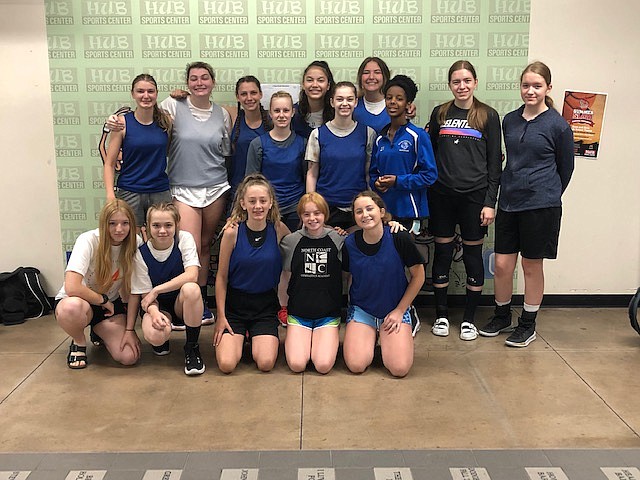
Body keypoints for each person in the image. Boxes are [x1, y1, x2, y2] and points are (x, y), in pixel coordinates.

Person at [108, 62, 230, 326]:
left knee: (207, 245)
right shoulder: (172, 106)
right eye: (193, 78)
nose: (199, 82)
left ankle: (200, 303)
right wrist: (114, 121)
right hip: (182, 187)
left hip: (216, 186)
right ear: (186, 84)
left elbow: (226, 148)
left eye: (205, 78)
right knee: (190, 246)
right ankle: (163, 304)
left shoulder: (223, 113)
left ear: (213, 82)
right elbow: (144, 112)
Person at [479, 61, 574, 347]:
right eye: (526, 85)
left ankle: (528, 323)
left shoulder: (558, 125)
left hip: (541, 206)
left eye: (537, 86)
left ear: (548, 88)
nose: (530, 91)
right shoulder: (510, 119)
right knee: (503, 264)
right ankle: (502, 315)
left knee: (532, 266)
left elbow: (565, 169)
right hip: (509, 203)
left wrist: (546, 194)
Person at [426, 60, 503, 341]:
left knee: (472, 256)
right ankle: (441, 315)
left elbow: (495, 163)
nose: (462, 86)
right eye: (456, 82)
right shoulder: (440, 113)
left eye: (467, 81)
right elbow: (429, 155)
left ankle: (469, 319)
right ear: (450, 85)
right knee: (443, 255)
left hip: (475, 198)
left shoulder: (488, 115)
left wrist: (489, 202)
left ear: (476, 83)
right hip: (442, 196)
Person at [342, 191, 425, 377]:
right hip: (363, 310)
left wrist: (400, 310)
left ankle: (405, 323)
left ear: (381, 211)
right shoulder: (349, 243)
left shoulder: (399, 237)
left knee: (399, 369)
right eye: (359, 211)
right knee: (356, 365)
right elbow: (350, 276)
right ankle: (367, 334)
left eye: (369, 209)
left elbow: (418, 276)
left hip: (394, 310)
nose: (365, 215)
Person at [213, 174, 290, 373]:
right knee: (227, 365)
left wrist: (333, 232)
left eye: (263, 201)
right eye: (252, 201)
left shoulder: (279, 230)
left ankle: (254, 338)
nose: (258, 206)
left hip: (264, 307)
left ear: (271, 203)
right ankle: (240, 338)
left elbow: (305, 240)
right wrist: (220, 316)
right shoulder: (232, 233)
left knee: (265, 363)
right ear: (243, 203)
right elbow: (221, 278)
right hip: (235, 307)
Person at [54, 199, 141, 369]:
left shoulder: (135, 243)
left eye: (125, 223)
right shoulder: (88, 240)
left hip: (109, 306)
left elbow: (135, 289)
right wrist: (102, 300)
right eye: (112, 223)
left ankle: (98, 331)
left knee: (129, 356)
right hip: (80, 301)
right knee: (70, 308)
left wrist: (129, 330)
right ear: (103, 224)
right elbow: (72, 286)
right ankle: (79, 341)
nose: (119, 229)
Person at [129, 203, 205, 375]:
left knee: (192, 289)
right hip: (158, 306)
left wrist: (157, 290)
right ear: (147, 227)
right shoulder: (140, 253)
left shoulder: (184, 239)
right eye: (156, 225)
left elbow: (192, 274)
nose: (162, 230)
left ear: (177, 224)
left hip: (181, 304)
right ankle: (162, 339)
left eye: (168, 225)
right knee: (156, 336)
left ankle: (192, 347)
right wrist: (154, 313)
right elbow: (146, 296)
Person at [280, 193, 344, 374]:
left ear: (325, 214)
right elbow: (283, 275)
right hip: (299, 314)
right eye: (306, 214)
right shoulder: (291, 241)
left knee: (323, 365)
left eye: (317, 213)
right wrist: (282, 306)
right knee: (297, 365)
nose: (312, 218)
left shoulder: (338, 239)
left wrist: (390, 223)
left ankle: (324, 338)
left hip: (328, 314)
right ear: (300, 216)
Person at [103, 74, 172, 229]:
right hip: (130, 191)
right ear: (133, 94)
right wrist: (110, 195)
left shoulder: (166, 121)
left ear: (156, 93)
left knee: (164, 238)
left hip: (160, 191)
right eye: (140, 91)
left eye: (150, 91)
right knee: (130, 241)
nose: (146, 96)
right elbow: (109, 164)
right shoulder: (122, 123)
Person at [305, 81, 377, 230]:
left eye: (350, 99)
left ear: (356, 102)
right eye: (339, 99)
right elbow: (312, 173)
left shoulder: (368, 133)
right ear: (332, 102)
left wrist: (372, 204)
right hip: (327, 209)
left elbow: (369, 173)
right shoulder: (318, 134)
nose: (345, 103)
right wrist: (311, 206)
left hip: (358, 209)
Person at [370, 74, 438, 230]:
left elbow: (430, 176)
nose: (393, 102)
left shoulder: (418, 136)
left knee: (408, 254)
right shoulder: (380, 138)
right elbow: (373, 173)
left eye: (399, 98)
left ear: (408, 104)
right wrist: (376, 183)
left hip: (410, 211)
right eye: (389, 98)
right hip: (383, 212)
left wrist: (398, 181)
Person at [246, 91, 306, 232]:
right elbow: (250, 182)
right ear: (270, 113)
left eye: (286, 110)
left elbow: (307, 177)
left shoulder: (303, 143)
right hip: (267, 209)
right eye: (277, 110)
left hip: (295, 209)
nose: (281, 115)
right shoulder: (257, 144)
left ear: (293, 112)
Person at [227, 76, 271, 202]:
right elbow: (204, 104)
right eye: (244, 94)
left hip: (264, 190)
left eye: (253, 93)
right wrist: (185, 95)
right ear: (237, 97)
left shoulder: (272, 119)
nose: (249, 98)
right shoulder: (233, 115)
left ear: (261, 94)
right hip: (238, 188)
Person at [292, 60, 335, 139]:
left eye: (320, 80)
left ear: (328, 85)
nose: (315, 85)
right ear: (303, 85)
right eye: (310, 80)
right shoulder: (292, 114)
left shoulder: (337, 115)